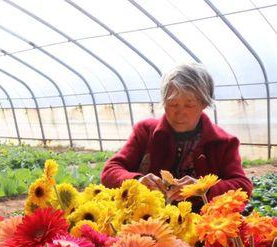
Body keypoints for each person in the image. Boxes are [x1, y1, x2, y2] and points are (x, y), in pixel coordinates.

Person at [101, 63, 252, 203]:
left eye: (189, 104)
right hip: (150, 221)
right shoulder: (146, 132)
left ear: (204, 104)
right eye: (172, 104)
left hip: (202, 224)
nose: (180, 113)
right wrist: (137, 181)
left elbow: (243, 186)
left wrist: (203, 189)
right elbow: (110, 170)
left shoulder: (222, 143)